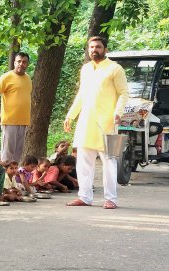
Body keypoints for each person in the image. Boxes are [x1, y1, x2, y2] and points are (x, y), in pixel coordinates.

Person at [64, 36, 128, 209]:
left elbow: (123, 93)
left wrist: (118, 113)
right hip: (86, 122)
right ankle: (84, 196)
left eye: (98, 47)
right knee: (83, 161)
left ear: (105, 49)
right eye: (91, 47)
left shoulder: (115, 68)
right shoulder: (85, 69)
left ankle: (111, 199)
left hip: (108, 123)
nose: (94, 50)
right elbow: (81, 95)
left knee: (109, 162)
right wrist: (70, 115)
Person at [0, 52, 33, 162]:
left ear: (27, 64)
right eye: (19, 61)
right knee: (7, 153)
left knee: (18, 154)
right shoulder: (7, 77)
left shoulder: (28, 78)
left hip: (24, 121)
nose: (21, 64)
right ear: (14, 63)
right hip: (9, 120)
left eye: (24, 62)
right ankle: (5, 177)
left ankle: (13, 178)